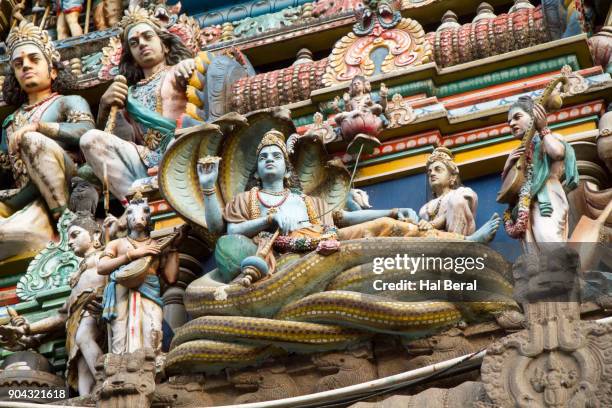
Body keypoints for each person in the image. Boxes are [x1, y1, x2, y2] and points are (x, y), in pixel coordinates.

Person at [197, 130, 501, 281]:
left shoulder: (307, 201)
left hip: (325, 241)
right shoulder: (247, 200)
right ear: (257, 170)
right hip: (288, 254)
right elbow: (229, 231)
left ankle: (460, 245)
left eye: (275, 156)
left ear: (288, 168)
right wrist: (266, 220)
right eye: (263, 158)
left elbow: (345, 218)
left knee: (390, 226)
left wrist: (393, 211)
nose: (269, 161)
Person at [80, 6, 195, 206]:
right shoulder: (129, 94)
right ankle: (137, 206)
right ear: (131, 55)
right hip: (146, 161)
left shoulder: (179, 71)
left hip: (183, 151)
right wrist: (105, 108)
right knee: (90, 140)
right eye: (134, 43)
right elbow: (119, 143)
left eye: (147, 37)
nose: (141, 44)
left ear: (165, 45)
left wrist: (193, 66)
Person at [0, 20, 95, 260]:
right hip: (28, 197)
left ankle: (66, 224)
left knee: (32, 140)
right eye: (19, 64)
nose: (26, 67)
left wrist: (39, 127)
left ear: (53, 70)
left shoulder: (67, 101)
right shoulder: (11, 122)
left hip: (67, 182)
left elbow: (87, 132)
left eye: (34, 59)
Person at [0, 214, 106, 395]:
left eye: (75, 235)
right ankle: (86, 399)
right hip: (77, 323)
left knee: (84, 339)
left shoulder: (105, 259)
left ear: (96, 235)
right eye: (69, 237)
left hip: (95, 313)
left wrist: (109, 306)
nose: (70, 242)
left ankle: (106, 380)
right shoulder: (79, 276)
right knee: (80, 365)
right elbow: (62, 317)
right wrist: (27, 329)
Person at [98, 193, 181, 357]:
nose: (138, 218)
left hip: (150, 291)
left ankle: (151, 365)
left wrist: (174, 248)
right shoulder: (117, 244)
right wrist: (132, 255)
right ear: (126, 219)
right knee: (120, 334)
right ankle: (120, 366)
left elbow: (171, 278)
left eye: (144, 212)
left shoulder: (157, 246)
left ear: (149, 218)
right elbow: (101, 267)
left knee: (153, 329)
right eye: (130, 213)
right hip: (122, 290)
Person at [502, 96, 579, 250]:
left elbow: (557, 153)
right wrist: (508, 165)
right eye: (509, 121)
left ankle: (563, 270)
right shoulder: (518, 154)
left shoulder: (550, 138)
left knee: (548, 238)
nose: (511, 123)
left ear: (533, 117)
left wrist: (543, 129)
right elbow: (508, 189)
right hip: (525, 203)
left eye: (517, 117)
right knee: (534, 252)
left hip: (547, 196)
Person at [418, 147, 478, 235]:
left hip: (455, 240)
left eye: (438, 170)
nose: (432, 174)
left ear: (452, 177)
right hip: (433, 242)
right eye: (430, 172)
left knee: (457, 201)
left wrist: (435, 223)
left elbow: (460, 203)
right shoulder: (425, 208)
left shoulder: (462, 193)